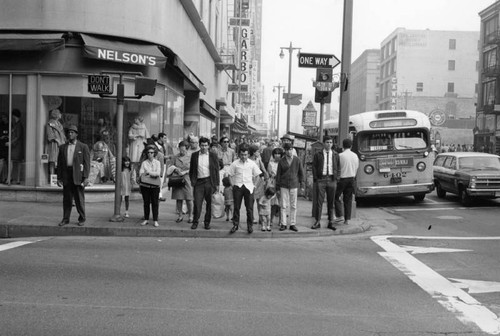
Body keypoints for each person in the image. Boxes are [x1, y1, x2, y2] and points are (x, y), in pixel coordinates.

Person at [56, 125, 90, 226]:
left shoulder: (83, 147)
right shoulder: (62, 147)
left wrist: (86, 177)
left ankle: (82, 218)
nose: (70, 134)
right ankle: (65, 219)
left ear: (76, 134)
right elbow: (60, 163)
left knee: (79, 199)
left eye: (72, 132)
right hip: (67, 175)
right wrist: (59, 178)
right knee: (67, 199)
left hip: (78, 176)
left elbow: (87, 163)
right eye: (69, 132)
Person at [227, 143, 262, 234]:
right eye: (242, 155)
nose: (243, 156)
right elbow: (229, 175)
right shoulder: (235, 164)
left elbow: (258, 175)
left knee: (249, 208)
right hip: (238, 187)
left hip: (249, 188)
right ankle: (235, 225)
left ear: (248, 154)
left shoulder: (252, 164)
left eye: (245, 155)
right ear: (239, 154)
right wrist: (232, 186)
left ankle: (249, 226)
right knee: (236, 207)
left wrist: (254, 186)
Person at [189, 136, 220, 230]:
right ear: (199, 145)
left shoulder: (213, 155)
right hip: (198, 182)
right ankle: (195, 222)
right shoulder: (194, 155)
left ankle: (207, 222)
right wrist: (192, 180)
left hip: (209, 181)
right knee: (197, 203)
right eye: (202, 145)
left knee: (209, 204)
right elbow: (192, 169)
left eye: (205, 145)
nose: (203, 147)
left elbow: (216, 170)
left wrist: (217, 184)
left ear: (208, 146)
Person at [311, 136, 340, 230]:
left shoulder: (335, 154)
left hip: (332, 179)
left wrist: (337, 178)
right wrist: (316, 178)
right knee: (319, 202)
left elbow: (338, 167)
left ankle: (330, 221)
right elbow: (314, 167)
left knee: (331, 202)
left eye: (331, 142)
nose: (329, 144)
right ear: (324, 143)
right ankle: (317, 221)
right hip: (321, 179)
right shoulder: (318, 154)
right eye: (327, 142)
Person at [276, 143, 305, 232]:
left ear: (293, 150)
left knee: (294, 205)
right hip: (283, 185)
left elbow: (301, 173)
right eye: (287, 149)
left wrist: (302, 184)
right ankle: (283, 224)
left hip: (294, 184)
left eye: (291, 149)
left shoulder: (297, 160)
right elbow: (278, 174)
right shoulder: (281, 161)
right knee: (283, 205)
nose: (289, 151)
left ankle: (292, 224)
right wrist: (277, 187)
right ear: (285, 150)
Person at [167, 140, 193, 223]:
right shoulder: (175, 157)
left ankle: (191, 216)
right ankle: (180, 215)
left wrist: (185, 172)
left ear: (187, 149)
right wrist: (175, 169)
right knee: (179, 198)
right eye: (180, 149)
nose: (181, 151)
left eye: (183, 150)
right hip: (177, 179)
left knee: (189, 198)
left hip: (187, 178)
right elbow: (169, 167)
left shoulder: (191, 157)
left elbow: (193, 168)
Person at [334, 138, 360, 225]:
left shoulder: (340, 156)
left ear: (343, 146)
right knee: (348, 200)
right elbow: (356, 167)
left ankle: (339, 215)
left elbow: (337, 168)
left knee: (336, 197)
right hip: (351, 179)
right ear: (351, 146)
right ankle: (347, 219)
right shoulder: (355, 156)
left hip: (342, 179)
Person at [138, 145, 162, 227]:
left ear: (154, 153)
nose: (150, 154)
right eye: (148, 152)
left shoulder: (157, 162)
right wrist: (152, 174)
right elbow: (141, 174)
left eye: (151, 152)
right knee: (146, 203)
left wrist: (148, 173)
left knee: (155, 203)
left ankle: (155, 220)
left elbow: (158, 173)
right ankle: (146, 219)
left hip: (155, 186)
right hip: (145, 186)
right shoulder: (144, 163)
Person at [128, 116, 150, 181]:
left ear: (139, 120)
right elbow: (129, 135)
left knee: (140, 160)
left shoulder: (144, 126)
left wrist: (144, 139)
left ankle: (139, 177)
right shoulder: (132, 127)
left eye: (136, 119)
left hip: (141, 144)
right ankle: (133, 177)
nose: (135, 120)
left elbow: (147, 136)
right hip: (134, 143)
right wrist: (135, 136)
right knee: (133, 160)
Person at [46, 109, 66, 177]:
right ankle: (52, 177)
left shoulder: (59, 124)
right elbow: (50, 135)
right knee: (53, 161)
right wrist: (57, 140)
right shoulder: (50, 123)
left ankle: (59, 177)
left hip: (61, 145)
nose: (61, 114)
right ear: (56, 114)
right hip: (54, 145)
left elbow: (63, 134)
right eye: (60, 113)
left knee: (60, 161)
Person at [267, 147, 283, 227]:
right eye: (275, 154)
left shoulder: (283, 163)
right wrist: (272, 175)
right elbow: (269, 172)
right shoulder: (271, 163)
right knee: (273, 204)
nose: (277, 155)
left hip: (281, 185)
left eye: (279, 154)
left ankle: (281, 220)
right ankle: (271, 220)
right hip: (273, 184)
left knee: (280, 204)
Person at [9, 108, 24, 184]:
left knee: (12, 161)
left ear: (14, 116)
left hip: (16, 147)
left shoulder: (18, 125)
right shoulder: (17, 124)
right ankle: (16, 179)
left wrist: (10, 143)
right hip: (17, 146)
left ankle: (10, 178)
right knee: (17, 162)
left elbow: (17, 136)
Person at [0, 113, 9, 183]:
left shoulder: (10, 125)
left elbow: (12, 134)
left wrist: (7, 137)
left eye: (4, 117)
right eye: (2, 117)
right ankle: (2, 178)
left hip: (8, 145)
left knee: (7, 162)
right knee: (2, 161)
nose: (3, 119)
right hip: (1, 145)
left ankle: (6, 178)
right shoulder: (1, 125)